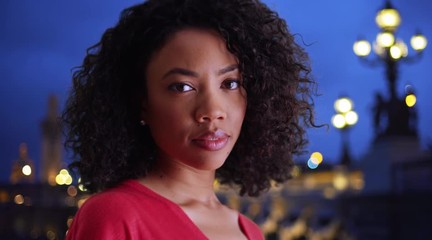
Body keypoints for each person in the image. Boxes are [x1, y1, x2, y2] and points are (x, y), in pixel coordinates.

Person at [63, 0, 314, 239]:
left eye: (230, 83)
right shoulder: (115, 217)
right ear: (142, 103)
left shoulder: (250, 231)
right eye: (182, 87)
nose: (213, 110)